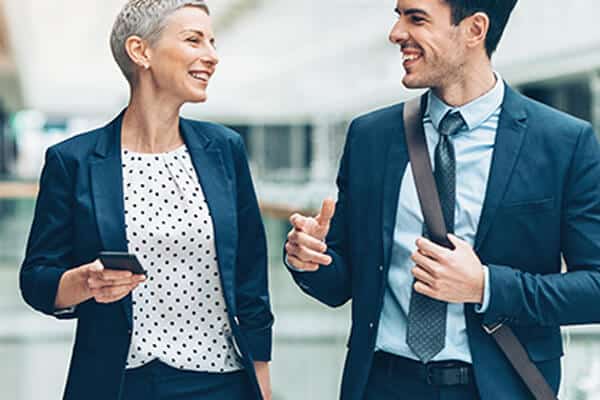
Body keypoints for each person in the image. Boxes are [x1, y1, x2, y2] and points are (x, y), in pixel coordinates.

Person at [284, 0, 600, 399]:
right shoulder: (370, 137)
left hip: (497, 388)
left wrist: (485, 286)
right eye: (397, 16)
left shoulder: (563, 142)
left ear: (474, 29)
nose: (396, 33)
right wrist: (309, 260)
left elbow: (595, 287)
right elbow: (340, 284)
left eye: (415, 18)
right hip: (382, 384)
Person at [20, 1, 273, 399]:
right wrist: (83, 281)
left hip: (221, 379)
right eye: (194, 40)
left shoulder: (224, 150)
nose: (211, 56)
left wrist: (261, 375)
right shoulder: (74, 161)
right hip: (118, 382)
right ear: (141, 52)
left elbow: (250, 275)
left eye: (212, 41)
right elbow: (36, 278)